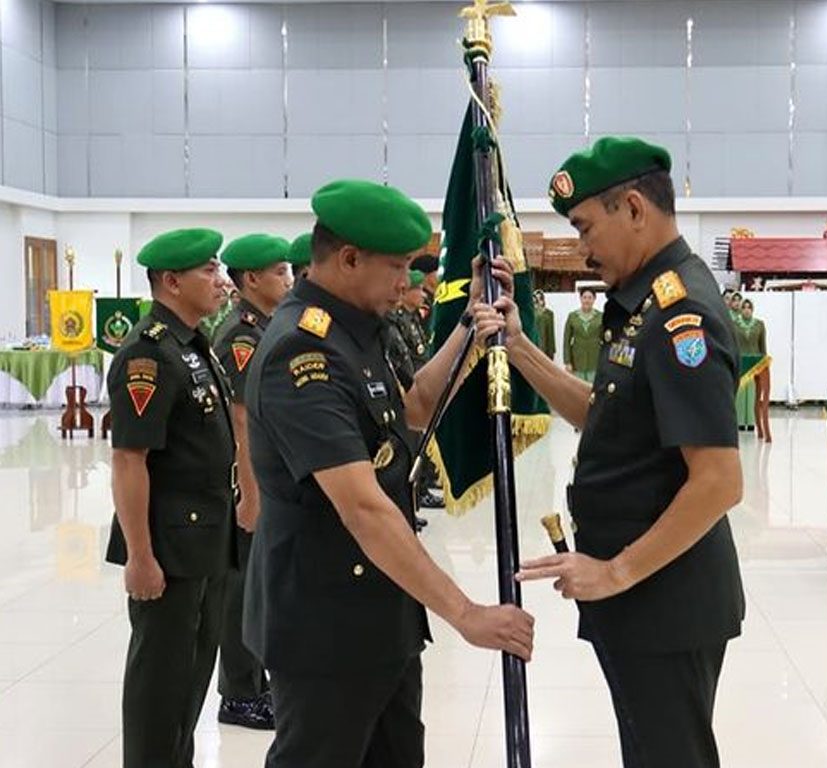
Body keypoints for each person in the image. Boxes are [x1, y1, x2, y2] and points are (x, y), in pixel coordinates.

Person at [242, 179, 534, 768]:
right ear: (349, 258)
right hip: (325, 625)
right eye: (398, 266)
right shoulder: (304, 355)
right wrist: (466, 614)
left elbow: (414, 406)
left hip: (382, 613)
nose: (409, 281)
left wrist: (467, 326)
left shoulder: (357, 328)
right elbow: (364, 508)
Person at [504, 137, 744, 768]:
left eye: (585, 227)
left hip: (662, 596)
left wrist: (614, 572)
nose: (581, 248)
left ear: (634, 209)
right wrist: (520, 349)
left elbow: (719, 481)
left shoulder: (678, 312)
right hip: (643, 592)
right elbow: (604, 416)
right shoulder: (641, 303)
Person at [104, 228, 238, 768]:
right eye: (208, 270)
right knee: (159, 688)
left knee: (190, 681)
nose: (220, 280)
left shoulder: (193, 345)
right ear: (170, 281)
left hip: (204, 539)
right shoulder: (148, 355)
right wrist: (140, 556)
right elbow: (129, 461)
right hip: (167, 548)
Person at [211, 233, 293, 730]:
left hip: (264, 472)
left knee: (258, 582)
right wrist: (252, 491)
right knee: (241, 585)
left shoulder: (263, 325)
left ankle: (256, 681)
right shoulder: (241, 334)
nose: (288, 278)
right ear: (251, 280)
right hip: (247, 479)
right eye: (279, 272)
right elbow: (241, 418)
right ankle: (239, 693)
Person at [386, 269, 444, 514]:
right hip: (404, 395)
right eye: (417, 289)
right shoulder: (394, 321)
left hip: (416, 389)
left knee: (418, 445)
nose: (422, 294)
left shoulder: (409, 320)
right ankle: (414, 498)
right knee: (408, 452)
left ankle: (416, 498)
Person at [733, 298, 765, 432]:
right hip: (740, 361)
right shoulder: (734, 324)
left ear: (752, 309)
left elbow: (762, 345)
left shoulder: (759, 324)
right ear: (740, 310)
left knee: (752, 393)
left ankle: (751, 422)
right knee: (740, 393)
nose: (747, 310)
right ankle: (740, 422)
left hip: (754, 363)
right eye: (744, 307)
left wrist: (763, 362)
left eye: (749, 307)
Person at [563, 286, 603, 382]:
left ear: (594, 299)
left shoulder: (601, 316)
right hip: (577, 361)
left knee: (593, 389)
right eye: (584, 297)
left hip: (595, 359)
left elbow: (605, 340)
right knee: (578, 388)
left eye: (590, 298)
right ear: (580, 299)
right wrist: (567, 361)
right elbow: (566, 340)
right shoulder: (572, 316)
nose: (587, 300)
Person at [533, 289, 556, 359]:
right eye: (536, 298)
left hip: (545, 347)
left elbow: (551, 333)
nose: (539, 301)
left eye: (540, 298)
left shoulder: (549, 313)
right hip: (533, 345)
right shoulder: (530, 313)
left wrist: (552, 350)